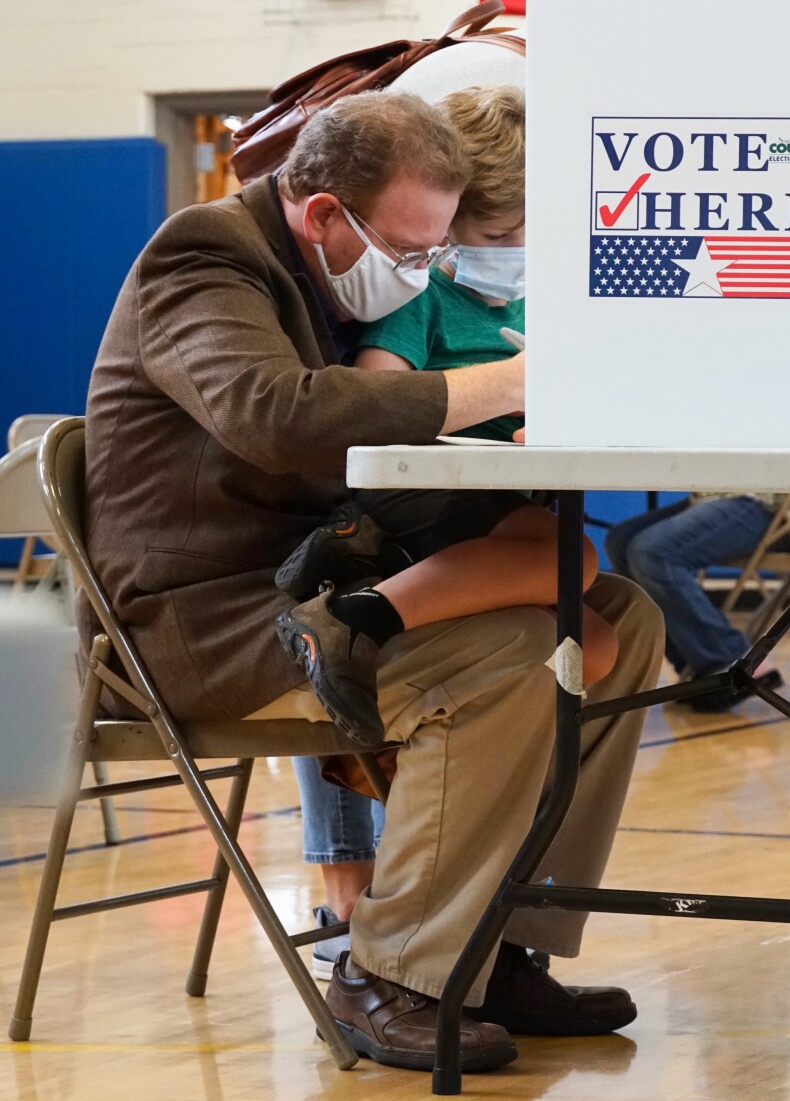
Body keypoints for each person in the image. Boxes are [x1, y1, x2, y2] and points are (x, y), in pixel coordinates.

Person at [81, 88, 665, 1073]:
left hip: (311, 573)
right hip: (208, 619)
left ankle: (492, 944)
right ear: (321, 214)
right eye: (410, 250)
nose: (425, 272)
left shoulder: (325, 269)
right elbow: (278, 415)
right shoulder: (204, 254)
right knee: (519, 652)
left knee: (619, 614)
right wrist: (520, 382)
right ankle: (389, 969)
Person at [289, 0, 764, 984]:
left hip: (487, 441)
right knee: (398, 574)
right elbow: (372, 373)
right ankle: (365, 907)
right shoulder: (477, 115)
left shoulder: (591, 117)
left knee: (613, 619)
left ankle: (513, 932)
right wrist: (501, 388)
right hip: (384, 446)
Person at [275, 84, 617, 747]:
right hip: (423, 492)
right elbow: (378, 398)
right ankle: (353, 616)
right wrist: (493, 391)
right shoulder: (419, 294)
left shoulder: (528, 304)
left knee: (595, 648)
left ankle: (479, 731)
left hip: (493, 497)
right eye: (497, 234)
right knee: (572, 559)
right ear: (445, 227)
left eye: (530, 231)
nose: (516, 248)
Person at [605, 492, 790, 712]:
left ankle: (735, 661)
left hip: (770, 502)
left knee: (651, 552)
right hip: (714, 495)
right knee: (619, 541)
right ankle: (694, 663)